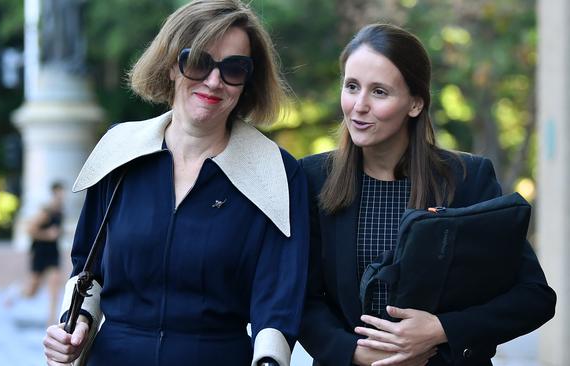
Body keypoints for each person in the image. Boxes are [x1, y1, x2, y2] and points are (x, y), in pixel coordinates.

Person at [42, 1, 309, 365]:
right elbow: (87, 269)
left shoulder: (275, 172)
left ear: (248, 81)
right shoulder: (120, 152)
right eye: (198, 61)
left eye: (234, 68)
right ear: (171, 65)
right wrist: (74, 326)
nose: (214, 81)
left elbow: (279, 299)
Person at [297, 24, 556, 366]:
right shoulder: (310, 178)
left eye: (379, 92)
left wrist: (441, 328)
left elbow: (533, 297)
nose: (358, 105)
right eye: (352, 86)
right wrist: (354, 352)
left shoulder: (467, 179)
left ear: (415, 103)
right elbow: (301, 297)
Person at [6, 181, 64, 326]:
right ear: (54, 193)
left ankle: (51, 320)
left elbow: (56, 232)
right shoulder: (46, 212)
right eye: (59, 193)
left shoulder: (61, 212)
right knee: (32, 291)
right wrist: (47, 234)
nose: (62, 196)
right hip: (40, 252)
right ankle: (16, 292)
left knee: (55, 284)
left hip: (53, 252)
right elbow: (30, 230)